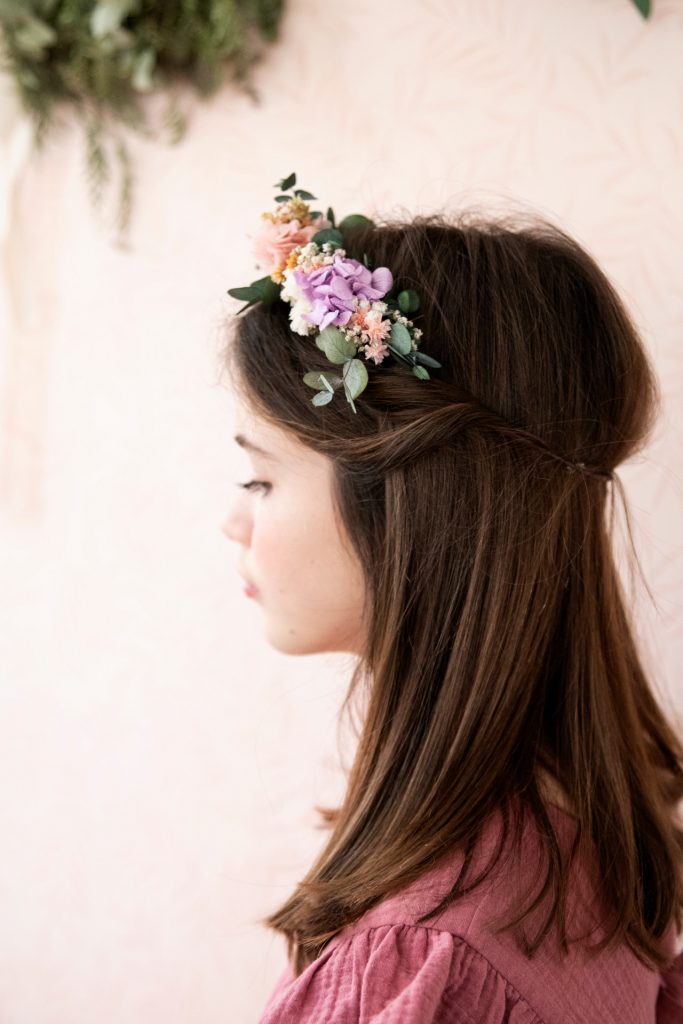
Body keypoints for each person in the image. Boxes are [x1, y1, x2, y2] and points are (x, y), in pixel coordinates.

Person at [219, 176, 683, 1022]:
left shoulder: (428, 960)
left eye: (260, 477)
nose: (232, 522)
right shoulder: (583, 845)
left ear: (415, 507)